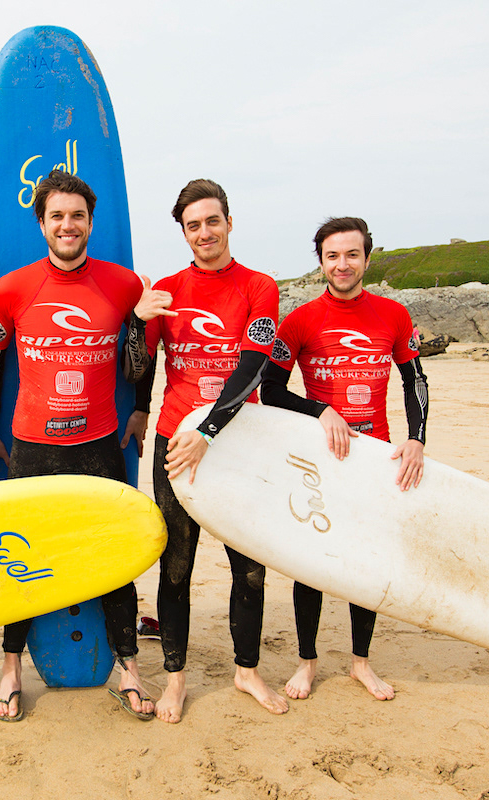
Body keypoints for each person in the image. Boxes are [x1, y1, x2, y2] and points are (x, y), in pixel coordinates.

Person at [171, 216, 428, 702]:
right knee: (313, 562)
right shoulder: (301, 320)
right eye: (332, 256)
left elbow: (414, 380)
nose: (343, 264)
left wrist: (416, 438)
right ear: (321, 263)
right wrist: (322, 409)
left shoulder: (394, 315)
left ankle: (360, 663)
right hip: (322, 456)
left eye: (352, 254)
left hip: (375, 457)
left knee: (365, 564)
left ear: (367, 258)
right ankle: (307, 661)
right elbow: (270, 389)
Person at [0, 169, 172, 722]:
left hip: (99, 444)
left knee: (113, 557)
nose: (68, 225)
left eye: (77, 216)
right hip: (33, 446)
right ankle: (11, 670)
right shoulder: (13, 288)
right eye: (57, 216)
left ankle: (129, 670)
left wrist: (139, 407)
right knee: (22, 556)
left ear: (91, 222)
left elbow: (143, 351)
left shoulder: (124, 284)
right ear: (41, 222)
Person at [141, 179, 286, 723]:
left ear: (229, 222)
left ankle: (246, 670)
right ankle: (175, 680)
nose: (204, 232)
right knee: (175, 568)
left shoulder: (259, 287)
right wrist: (138, 320)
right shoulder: (169, 290)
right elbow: (140, 367)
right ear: (183, 232)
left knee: (248, 569)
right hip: (175, 444)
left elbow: (252, 370)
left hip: (238, 445)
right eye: (193, 225)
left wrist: (210, 432)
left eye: (212, 221)